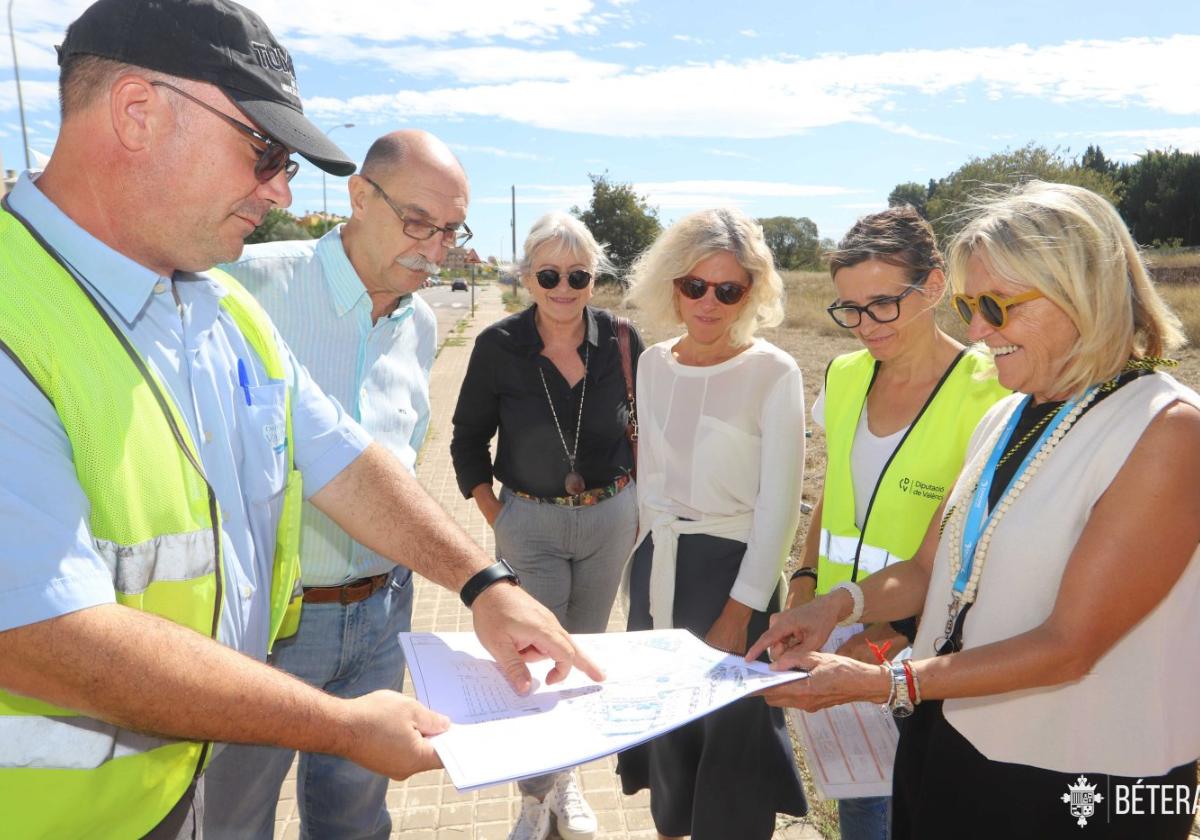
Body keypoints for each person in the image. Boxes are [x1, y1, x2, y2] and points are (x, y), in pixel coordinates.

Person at [0, 2, 600, 837]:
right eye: (264, 152)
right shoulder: (13, 315)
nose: (281, 189)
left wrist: (483, 584)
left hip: (186, 780)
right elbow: (37, 631)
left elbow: (348, 463)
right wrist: (339, 725)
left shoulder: (217, 310)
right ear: (138, 112)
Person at [751, 181, 1200, 840]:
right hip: (950, 745)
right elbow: (931, 567)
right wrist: (832, 606)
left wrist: (881, 684)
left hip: (1074, 786)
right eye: (968, 305)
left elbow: (1070, 648)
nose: (979, 330)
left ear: (1085, 293)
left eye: (996, 306)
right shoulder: (1006, 414)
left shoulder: (1166, 431)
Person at [203, 130, 461, 838]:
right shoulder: (242, 285)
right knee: (235, 815)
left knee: (356, 814)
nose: (435, 250)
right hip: (271, 628)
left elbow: (402, 457)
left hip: (383, 616)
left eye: (449, 232)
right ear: (357, 196)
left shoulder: (423, 324)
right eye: (418, 223)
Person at [791, 206, 1009, 839]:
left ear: (935, 286)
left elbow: (973, 558)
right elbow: (834, 493)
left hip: (926, 652)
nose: (865, 326)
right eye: (849, 309)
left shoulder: (992, 394)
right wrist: (804, 590)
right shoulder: (842, 375)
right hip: (835, 631)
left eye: (882, 303)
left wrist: (883, 639)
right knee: (863, 810)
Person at [615, 208, 808, 840]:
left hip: (733, 579)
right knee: (667, 735)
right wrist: (635, 592)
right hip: (658, 573)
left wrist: (739, 611)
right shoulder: (652, 364)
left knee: (731, 744)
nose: (709, 302)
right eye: (694, 285)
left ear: (751, 292)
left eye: (729, 289)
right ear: (673, 285)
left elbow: (778, 508)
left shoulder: (773, 373)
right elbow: (648, 488)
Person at [451, 211, 643, 840]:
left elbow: (653, 427)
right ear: (528, 275)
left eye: (579, 274)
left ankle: (568, 781)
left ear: (594, 278)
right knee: (532, 659)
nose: (564, 287)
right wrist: (497, 513)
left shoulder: (621, 340)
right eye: (550, 274)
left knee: (580, 654)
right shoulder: (498, 346)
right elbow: (467, 440)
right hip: (527, 522)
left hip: (608, 522)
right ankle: (534, 796)